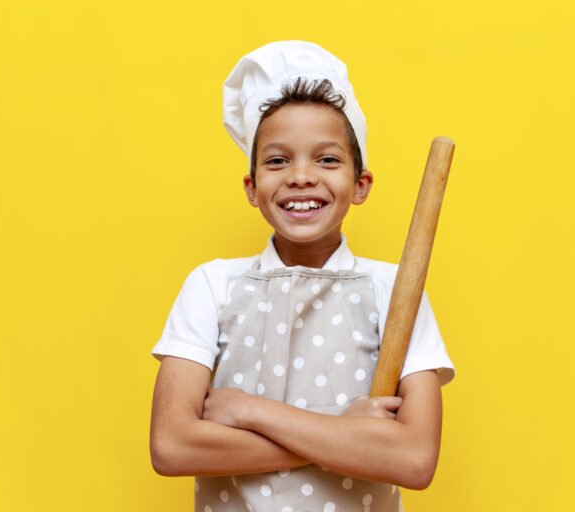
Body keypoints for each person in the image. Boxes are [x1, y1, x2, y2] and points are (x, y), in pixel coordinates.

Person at [149, 41, 456, 512]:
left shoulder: (394, 292)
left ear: (361, 184)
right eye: (277, 160)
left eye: (327, 159)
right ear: (252, 188)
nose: (300, 176)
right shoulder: (213, 286)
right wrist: (350, 436)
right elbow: (172, 447)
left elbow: (414, 460)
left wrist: (251, 412)